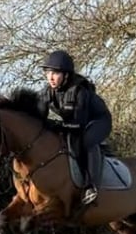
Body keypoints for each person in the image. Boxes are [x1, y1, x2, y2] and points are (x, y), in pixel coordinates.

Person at [37, 49, 112, 205]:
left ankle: (91, 186)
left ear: (66, 75)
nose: (50, 77)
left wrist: (55, 125)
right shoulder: (46, 92)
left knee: (85, 141)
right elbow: (39, 120)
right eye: (48, 72)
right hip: (75, 122)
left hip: (98, 121)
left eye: (56, 73)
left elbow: (78, 125)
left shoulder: (79, 91)